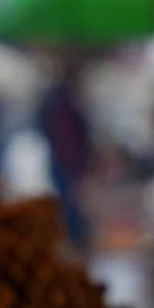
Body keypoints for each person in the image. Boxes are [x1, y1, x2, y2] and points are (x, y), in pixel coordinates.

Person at [38, 61, 91, 254]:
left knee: (68, 202)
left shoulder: (57, 100)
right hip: (66, 161)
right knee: (69, 203)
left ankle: (73, 241)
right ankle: (74, 241)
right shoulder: (62, 101)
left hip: (63, 160)